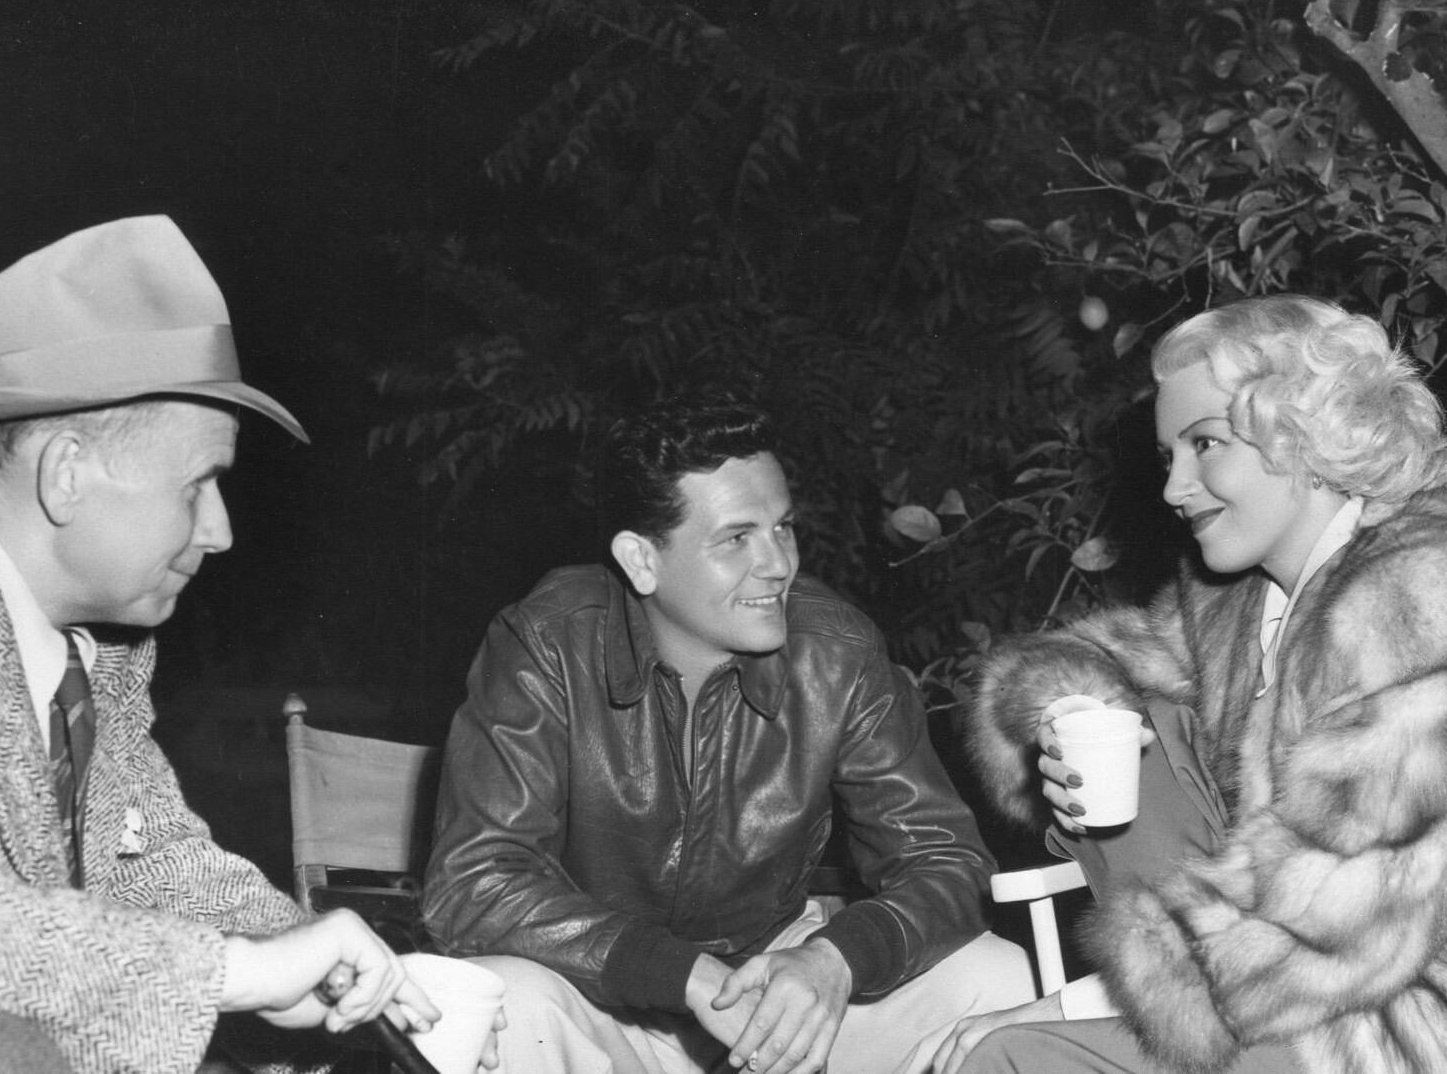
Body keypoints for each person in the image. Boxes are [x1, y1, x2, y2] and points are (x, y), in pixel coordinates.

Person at [0, 216, 448, 1074]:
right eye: (200, 483)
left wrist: (324, 960)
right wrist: (229, 973)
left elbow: (156, 868)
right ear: (66, 474)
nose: (220, 531)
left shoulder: (97, 653)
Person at [905, 295, 1447, 1074]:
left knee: (1018, 1055)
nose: (1173, 488)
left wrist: (1081, 999)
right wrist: (1069, 718)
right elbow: (1086, 663)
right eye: (1169, 456)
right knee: (1127, 718)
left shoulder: (1430, 591)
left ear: (1305, 430)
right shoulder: (1245, 599)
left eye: (1205, 444)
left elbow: (1348, 909)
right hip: (1307, 986)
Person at [421, 396, 1036, 1074]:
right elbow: (474, 882)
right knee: (504, 1002)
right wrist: (681, 975)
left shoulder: (836, 653)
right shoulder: (546, 645)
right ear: (641, 560)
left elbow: (948, 862)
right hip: (601, 1000)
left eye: (783, 528)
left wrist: (836, 959)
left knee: (993, 977)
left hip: (775, 987)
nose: (778, 564)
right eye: (737, 538)